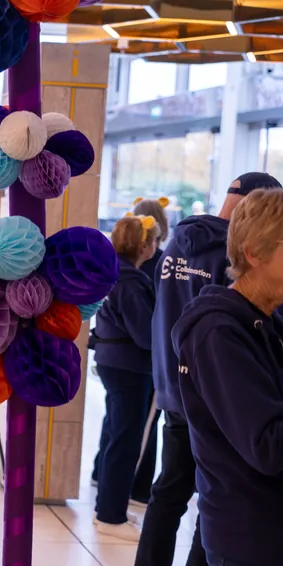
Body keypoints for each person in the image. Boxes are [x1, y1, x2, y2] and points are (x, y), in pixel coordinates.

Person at [133, 172, 283, 566]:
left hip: (174, 382)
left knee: (173, 486)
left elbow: (162, 311)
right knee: (210, 488)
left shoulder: (180, 243)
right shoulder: (227, 281)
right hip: (210, 389)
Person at [173, 189, 283, 566]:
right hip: (253, 541)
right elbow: (269, 446)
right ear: (255, 252)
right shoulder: (218, 333)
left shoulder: (267, 323)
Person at [92, 197, 170, 501]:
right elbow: (145, 333)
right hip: (131, 363)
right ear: (144, 243)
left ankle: (107, 489)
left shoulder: (113, 272)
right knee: (129, 435)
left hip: (112, 359)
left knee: (116, 428)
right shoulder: (134, 280)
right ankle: (116, 506)